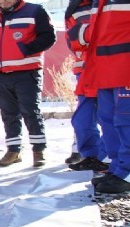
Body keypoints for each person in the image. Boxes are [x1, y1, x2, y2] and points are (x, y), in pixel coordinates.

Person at [0, 0, 56, 167]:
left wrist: (24, 49)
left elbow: (49, 36)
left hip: (27, 73)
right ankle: (13, 151)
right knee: (8, 114)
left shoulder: (35, 11)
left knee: (30, 112)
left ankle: (38, 150)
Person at [78, 0, 130, 193]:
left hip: (125, 64)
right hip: (106, 67)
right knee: (109, 120)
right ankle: (119, 168)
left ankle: (127, 172)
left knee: (127, 120)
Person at [63, 0, 108, 173]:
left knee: (110, 117)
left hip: (112, 68)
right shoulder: (75, 7)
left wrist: (85, 35)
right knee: (82, 119)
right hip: (85, 69)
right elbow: (72, 39)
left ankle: (107, 158)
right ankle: (91, 156)